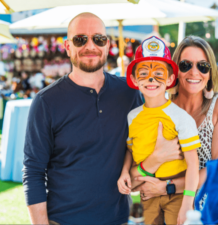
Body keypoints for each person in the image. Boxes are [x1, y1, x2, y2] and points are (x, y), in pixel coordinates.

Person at [22, 13, 143, 224]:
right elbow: (33, 172)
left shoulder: (129, 93)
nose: (90, 46)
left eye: (99, 39)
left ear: (107, 46)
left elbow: (141, 144)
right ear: (68, 46)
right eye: (80, 39)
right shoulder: (45, 102)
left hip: (119, 219)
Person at [129, 35, 218, 215]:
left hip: (205, 200)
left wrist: (167, 187)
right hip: (158, 200)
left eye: (203, 66)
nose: (195, 72)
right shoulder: (160, 106)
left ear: (210, 73)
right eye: (186, 65)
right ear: (174, 71)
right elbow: (136, 165)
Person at [117, 36, 200, 225]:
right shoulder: (132, 117)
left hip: (177, 194)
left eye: (159, 73)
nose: (151, 79)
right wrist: (124, 172)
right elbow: (130, 149)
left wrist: (188, 200)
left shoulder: (181, 118)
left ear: (170, 78)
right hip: (146, 191)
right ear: (133, 79)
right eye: (144, 73)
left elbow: (193, 164)